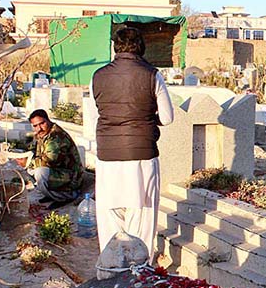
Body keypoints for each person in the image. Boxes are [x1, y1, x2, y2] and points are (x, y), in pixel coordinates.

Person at [91, 27, 174, 259]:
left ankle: (110, 270)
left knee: (110, 217)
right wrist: (147, 119)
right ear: (141, 47)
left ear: (115, 47)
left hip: (108, 154)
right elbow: (167, 118)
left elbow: (95, 113)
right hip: (142, 153)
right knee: (142, 217)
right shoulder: (151, 75)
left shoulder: (98, 76)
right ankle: (140, 272)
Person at [18, 109, 83, 206]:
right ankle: (52, 195)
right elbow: (36, 152)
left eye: (42, 123)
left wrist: (27, 162)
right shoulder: (43, 133)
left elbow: (50, 160)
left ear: (48, 120)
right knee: (31, 169)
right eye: (35, 126)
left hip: (71, 177)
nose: (39, 128)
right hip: (58, 172)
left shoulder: (56, 136)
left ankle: (65, 197)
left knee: (40, 172)